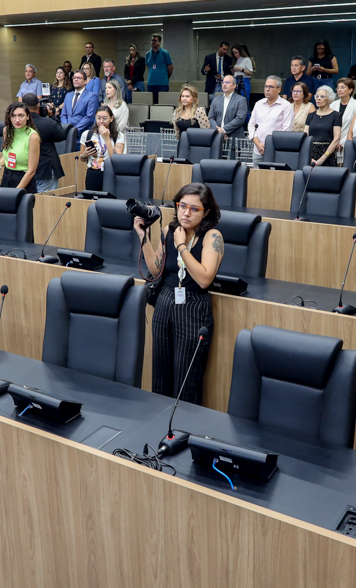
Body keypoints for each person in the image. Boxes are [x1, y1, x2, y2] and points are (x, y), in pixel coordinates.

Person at [137, 182, 223, 404]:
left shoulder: (213, 237)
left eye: (194, 209)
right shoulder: (169, 231)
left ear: (206, 212)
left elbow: (204, 279)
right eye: (182, 205)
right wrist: (143, 237)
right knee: (161, 374)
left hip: (193, 308)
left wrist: (182, 246)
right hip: (165, 301)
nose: (186, 212)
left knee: (187, 378)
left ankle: (184, 432)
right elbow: (156, 268)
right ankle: (160, 429)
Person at [21, 92, 66, 193]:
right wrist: (53, 116)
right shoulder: (48, 123)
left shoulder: (19, 125)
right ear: (38, 105)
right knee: (47, 204)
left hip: (25, 170)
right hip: (46, 170)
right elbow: (62, 135)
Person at [0, 102, 41, 191]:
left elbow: (31, 171)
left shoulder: (33, 136)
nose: (17, 120)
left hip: (24, 180)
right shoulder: (7, 131)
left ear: (28, 117)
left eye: (21, 115)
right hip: (7, 176)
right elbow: (8, 155)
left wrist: (17, 191)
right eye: (13, 116)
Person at [78, 104, 125, 191]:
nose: (101, 121)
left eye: (105, 118)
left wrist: (107, 138)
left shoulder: (118, 136)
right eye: (98, 118)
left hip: (110, 173)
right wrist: (85, 155)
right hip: (93, 173)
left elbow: (117, 159)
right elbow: (82, 158)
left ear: (111, 118)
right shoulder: (87, 134)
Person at [247, 75, 292, 154]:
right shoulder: (258, 104)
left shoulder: (286, 105)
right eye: (266, 86)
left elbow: (286, 130)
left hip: (276, 151)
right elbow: (251, 125)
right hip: (258, 150)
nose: (267, 89)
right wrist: (258, 144)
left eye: (271, 87)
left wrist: (270, 146)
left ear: (279, 89)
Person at [306, 86, 343, 166]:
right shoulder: (311, 115)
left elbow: (336, 139)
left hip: (328, 154)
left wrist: (322, 159)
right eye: (317, 96)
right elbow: (305, 137)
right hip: (310, 155)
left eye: (322, 96)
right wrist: (309, 157)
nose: (318, 98)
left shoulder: (336, 115)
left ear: (329, 99)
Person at [209, 74, 249, 142]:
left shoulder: (241, 100)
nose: (224, 84)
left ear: (234, 85)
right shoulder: (216, 100)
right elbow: (211, 117)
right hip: (217, 138)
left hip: (234, 139)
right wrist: (218, 131)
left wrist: (224, 130)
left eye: (227, 82)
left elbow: (240, 118)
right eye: (223, 82)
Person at [59, 68, 98, 133]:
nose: (76, 79)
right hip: (67, 133)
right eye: (74, 78)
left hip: (82, 134)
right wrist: (66, 128)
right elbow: (63, 115)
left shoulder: (91, 96)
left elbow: (89, 117)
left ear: (85, 81)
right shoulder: (68, 96)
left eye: (79, 78)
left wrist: (74, 130)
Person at [144, 34, 172, 103]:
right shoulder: (148, 54)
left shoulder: (165, 53)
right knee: (151, 103)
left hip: (162, 83)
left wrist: (165, 77)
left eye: (155, 40)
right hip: (151, 83)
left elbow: (170, 67)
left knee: (162, 103)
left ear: (159, 42)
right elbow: (148, 67)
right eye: (152, 40)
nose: (153, 42)